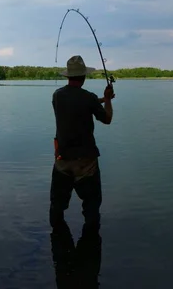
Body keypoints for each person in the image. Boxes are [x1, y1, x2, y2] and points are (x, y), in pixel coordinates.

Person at [50, 55, 114, 232]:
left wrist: (100, 100)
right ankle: (90, 249)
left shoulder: (57, 96)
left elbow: (78, 104)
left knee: (57, 205)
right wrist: (107, 100)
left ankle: (58, 247)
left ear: (68, 76)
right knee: (91, 207)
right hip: (86, 163)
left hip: (62, 159)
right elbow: (107, 119)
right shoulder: (89, 98)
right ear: (84, 76)